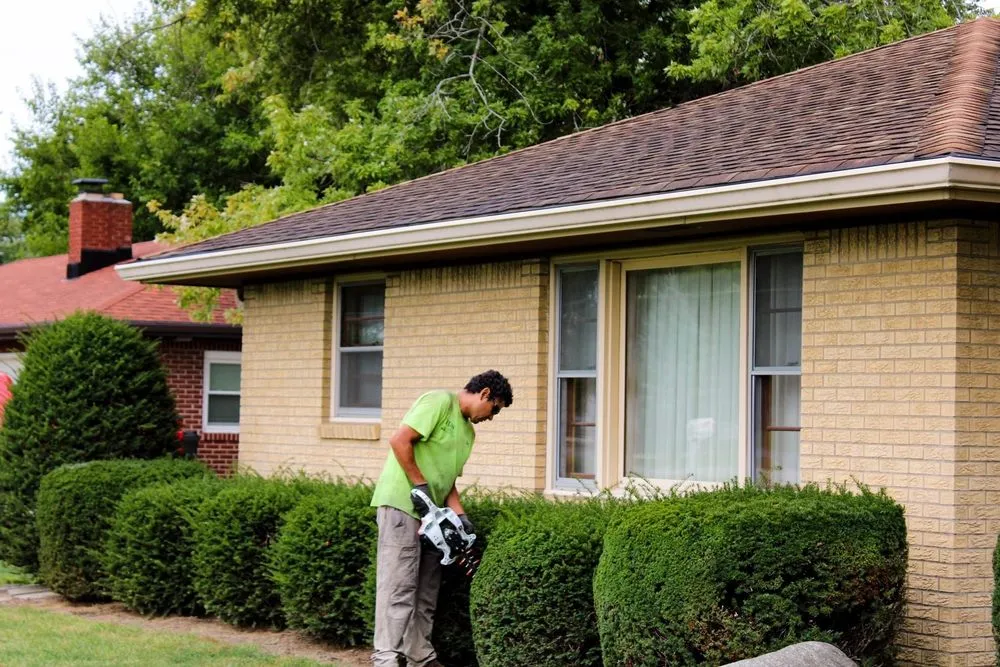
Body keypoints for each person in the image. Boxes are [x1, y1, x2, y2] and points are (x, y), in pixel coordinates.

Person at [370, 369, 513, 667]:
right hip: (402, 505)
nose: (492, 416)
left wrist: (461, 516)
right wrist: (419, 485)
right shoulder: (437, 402)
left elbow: (447, 480)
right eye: (494, 409)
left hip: (434, 518)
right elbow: (399, 441)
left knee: (427, 588)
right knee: (398, 586)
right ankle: (385, 658)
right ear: (484, 394)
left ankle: (419, 655)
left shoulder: (468, 433)